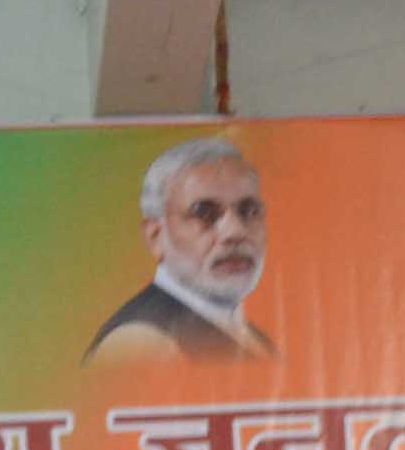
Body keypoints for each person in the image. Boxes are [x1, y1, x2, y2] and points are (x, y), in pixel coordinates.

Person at [86, 137, 278, 365]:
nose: (235, 232)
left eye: (249, 210)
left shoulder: (256, 339)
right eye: (204, 213)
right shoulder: (139, 343)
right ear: (155, 237)